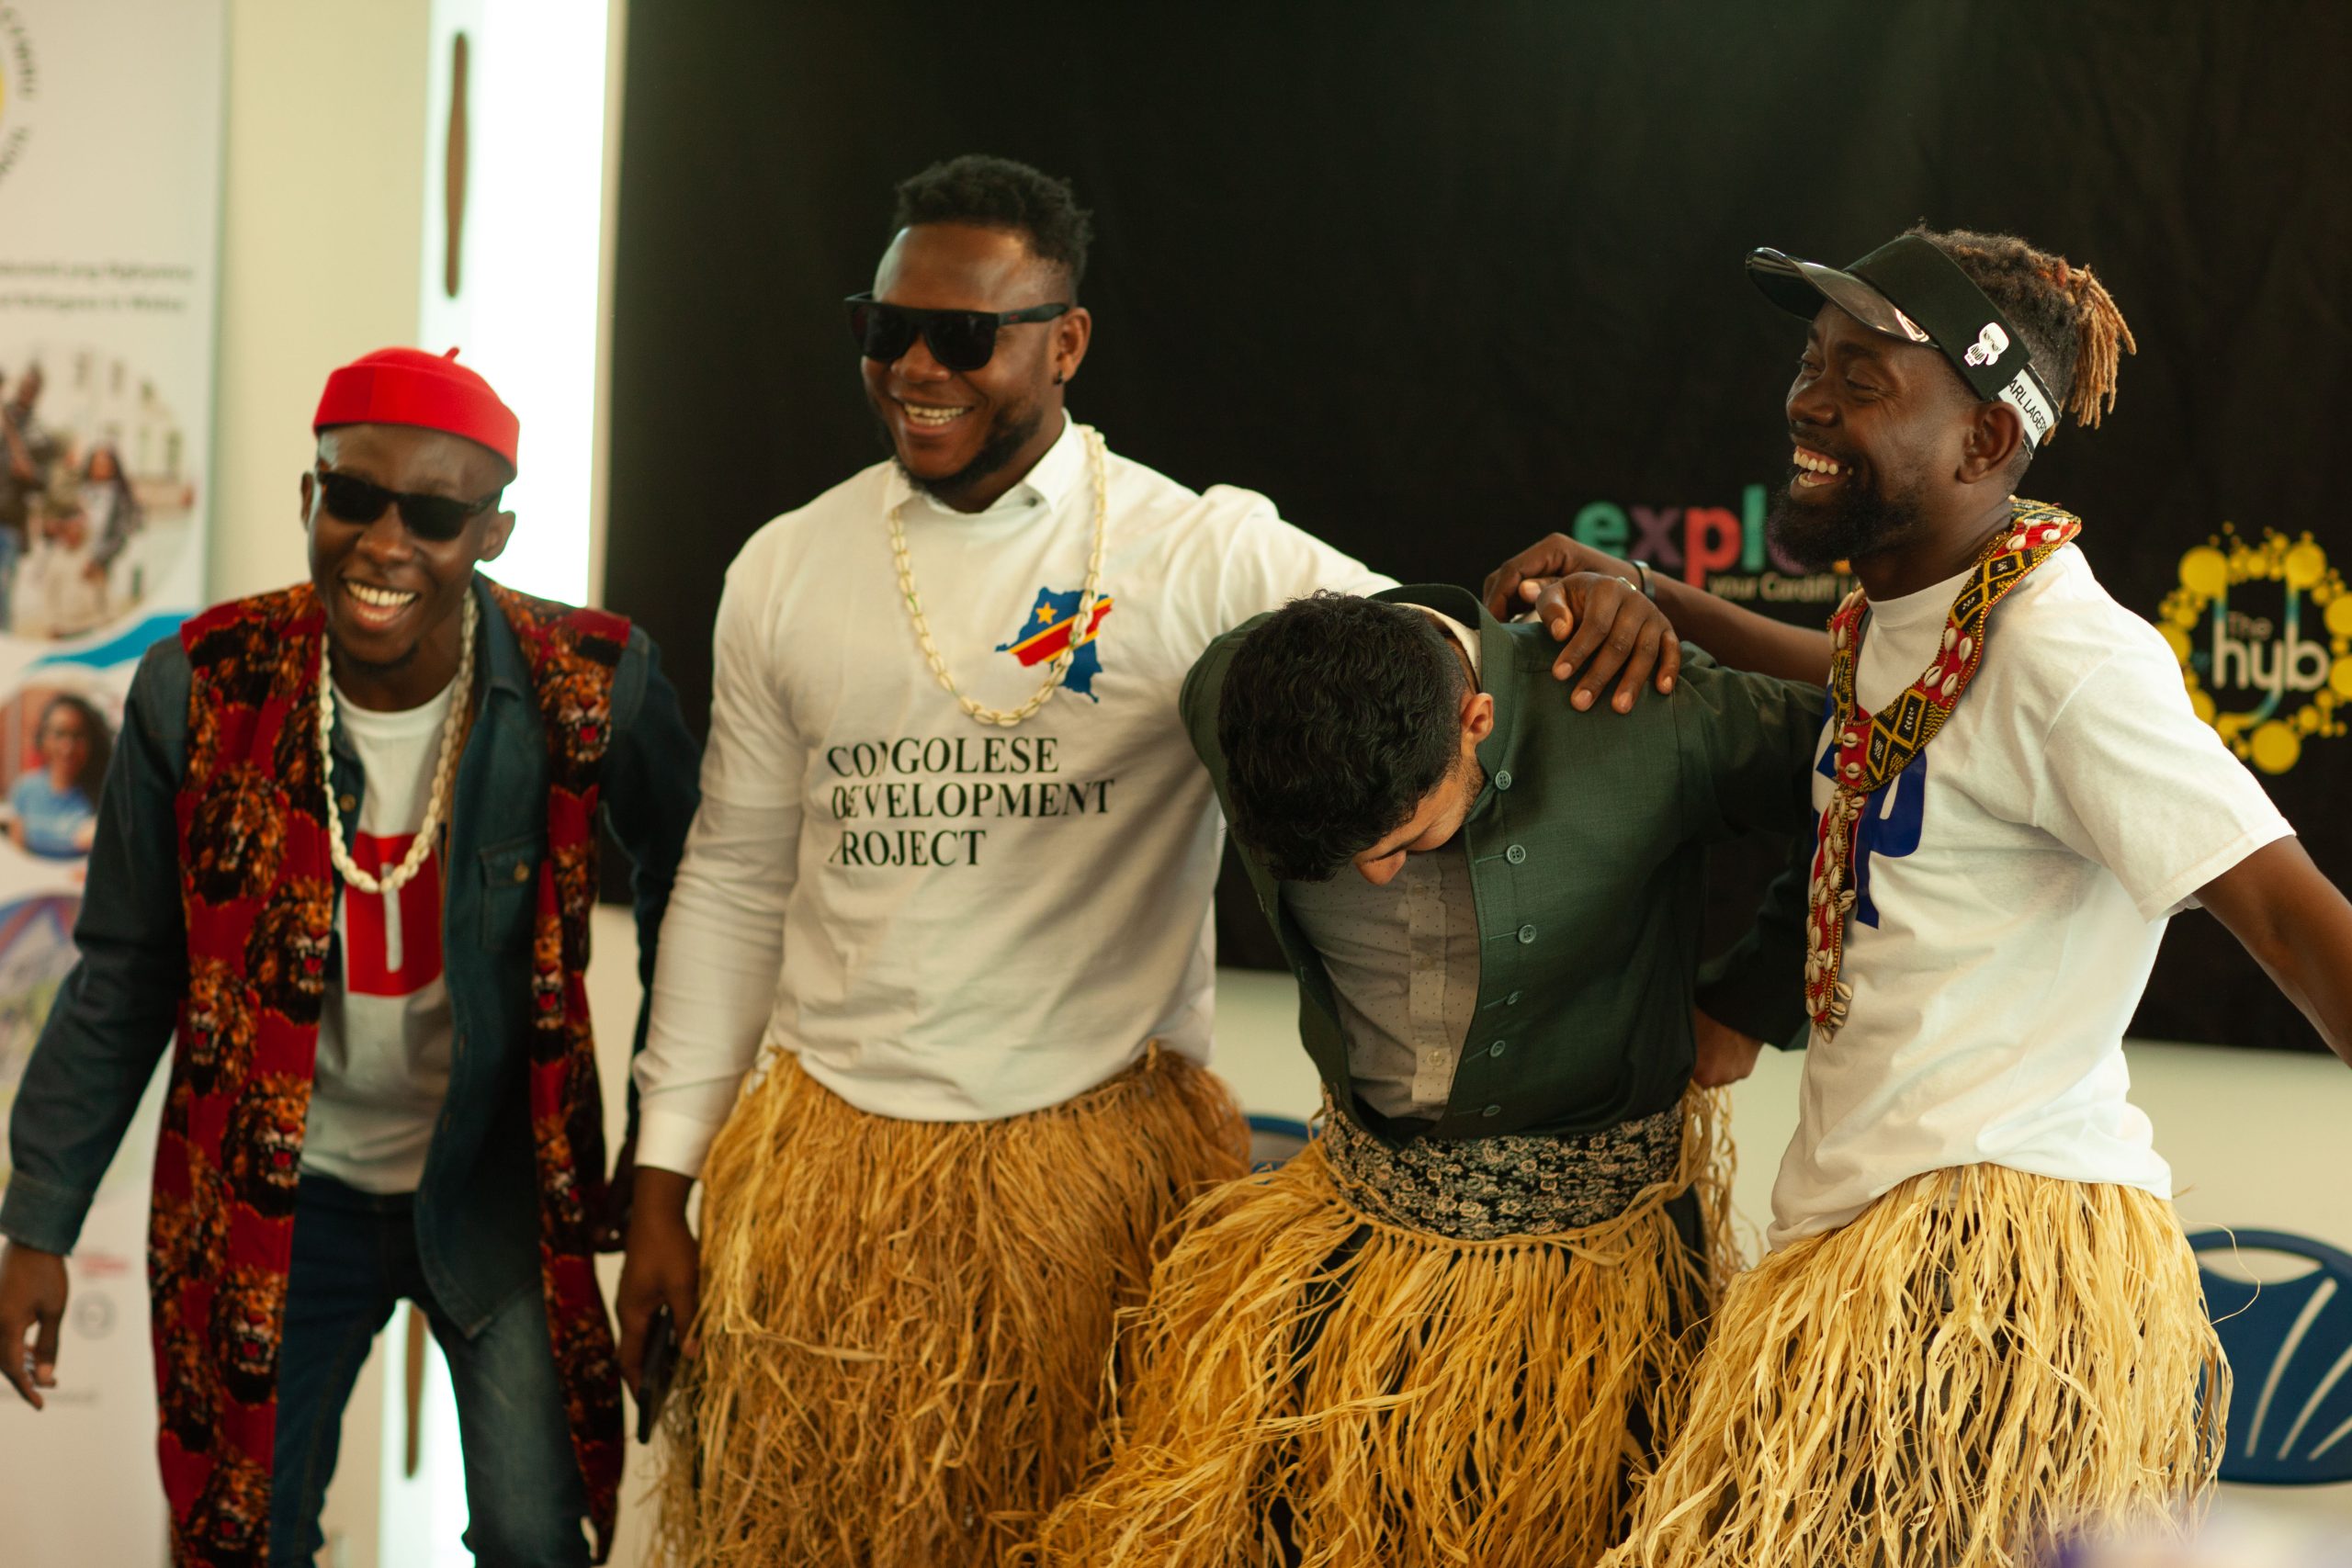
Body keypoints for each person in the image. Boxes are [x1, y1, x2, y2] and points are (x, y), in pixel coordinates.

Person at [616, 153, 1677, 1568]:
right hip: (824, 1187)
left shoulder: (1192, 551)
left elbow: (1415, 650)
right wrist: (663, 1182)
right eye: (887, 328)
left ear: (1066, 341)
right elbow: (736, 878)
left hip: (1091, 1190)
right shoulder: (785, 567)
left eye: (963, 335)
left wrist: (1588, 608)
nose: (916, 368)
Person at [1490, 226, 2352, 1566]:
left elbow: (2296, 923)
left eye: (1864, 380)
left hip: (1983, 1282)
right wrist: (1650, 590)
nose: (1808, 401)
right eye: (1811, 362)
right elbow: (1857, 687)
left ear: (1984, 440)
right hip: (1864, 1240)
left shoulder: (2074, 660)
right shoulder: (1925, 616)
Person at [0, 347, 701, 1567]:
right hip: (279, 1184)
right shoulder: (202, 687)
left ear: (492, 532)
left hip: (492, 1176)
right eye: (354, 497)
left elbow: (706, 894)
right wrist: (39, 1221)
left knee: (537, 1532)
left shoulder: (589, 684)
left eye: (432, 515)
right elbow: (123, 970)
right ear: (308, 496)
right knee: (244, 1533)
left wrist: (659, 1181)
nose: (385, 543)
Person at [1017, 587, 1819, 1566]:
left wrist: (1753, 999)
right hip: (1349, 1270)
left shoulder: (1647, 713)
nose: (1376, 876)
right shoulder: (1230, 692)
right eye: (1340, 862)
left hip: (1602, 1301)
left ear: (1476, 720)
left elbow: (1869, 774)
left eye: (1403, 840)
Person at [7, 694, 110, 858]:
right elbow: (16, 855)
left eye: (78, 735)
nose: (68, 747)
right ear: (43, 738)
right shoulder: (25, 789)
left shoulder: (104, 794)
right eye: (59, 734)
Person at [0, 366, 58, 631]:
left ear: (38, 392)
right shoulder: (3, 416)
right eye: (24, 385)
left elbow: (45, 483)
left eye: (32, 387)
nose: (26, 390)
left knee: (2, 590)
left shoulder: (39, 433)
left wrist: (31, 473)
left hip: (10, 522)